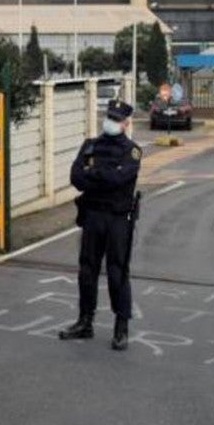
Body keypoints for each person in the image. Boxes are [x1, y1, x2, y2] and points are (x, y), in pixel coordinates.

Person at [59, 99, 141, 350]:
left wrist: (93, 174)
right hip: (93, 214)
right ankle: (85, 321)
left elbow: (119, 178)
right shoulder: (90, 145)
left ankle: (121, 326)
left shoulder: (132, 150)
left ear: (126, 123)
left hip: (118, 218)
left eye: (117, 120)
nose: (111, 123)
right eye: (110, 118)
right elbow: (76, 177)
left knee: (117, 271)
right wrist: (102, 175)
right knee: (87, 270)